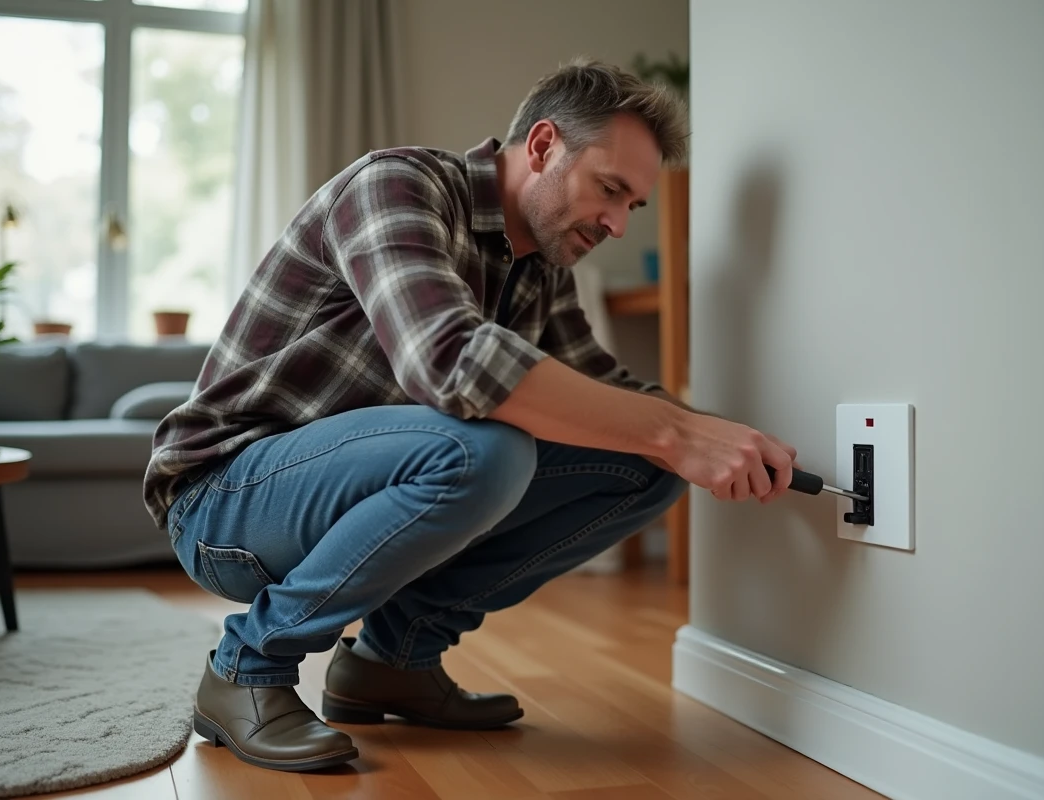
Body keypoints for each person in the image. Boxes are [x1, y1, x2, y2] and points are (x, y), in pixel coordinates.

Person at [143, 57, 798, 773]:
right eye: (609, 190)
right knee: (484, 452)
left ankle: (395, 659)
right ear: (544, 146)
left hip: (337, 487)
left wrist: (711, 437)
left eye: (632, 206)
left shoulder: (542, 271)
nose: (616, 223)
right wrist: (680, 432)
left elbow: (613, 392)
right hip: (224, 500)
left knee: (646, 465)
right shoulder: (396, 186)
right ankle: (247, 667)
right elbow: (447, 359)